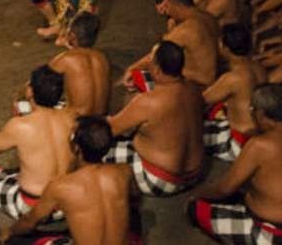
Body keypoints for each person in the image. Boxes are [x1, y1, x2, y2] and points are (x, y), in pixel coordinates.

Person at [187, 84, 282, 245]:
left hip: (271, 236)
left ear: (261, 113)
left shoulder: (260, 145)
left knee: (196, 207)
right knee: (243, 192)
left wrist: (198, 193)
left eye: (252, 110)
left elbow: (224, 188)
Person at [0, 66, 77, 223]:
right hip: (66, 202)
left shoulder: (20, 126)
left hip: (31, 206)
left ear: (30, 91)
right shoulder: (71, 118)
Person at [6, 116, 134, 245]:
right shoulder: (124, 172)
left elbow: (29, 222)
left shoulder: (61, 187)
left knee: (16, 240)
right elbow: (133, 199)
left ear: (76, 147)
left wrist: (10, 232)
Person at [107, 41, 205, 196]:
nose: (148, 64)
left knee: (93, 144)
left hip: (160, 180)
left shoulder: (148, 102)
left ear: (158, 70)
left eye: (150, 62)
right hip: (196, 174)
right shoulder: (194, 88)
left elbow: (110, 130)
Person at [202, 25, 265, 162]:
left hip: (241, 142)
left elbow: (200, 101)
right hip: (260, 132)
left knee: (187, 130)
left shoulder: (233, 78)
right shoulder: (258, 67)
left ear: (226, 48)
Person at [47, 13, 111, 116]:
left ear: (72, 36)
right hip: (101, 125)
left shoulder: (64, 59)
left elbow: (36, 86)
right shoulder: (102, 59)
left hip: (78, 126)